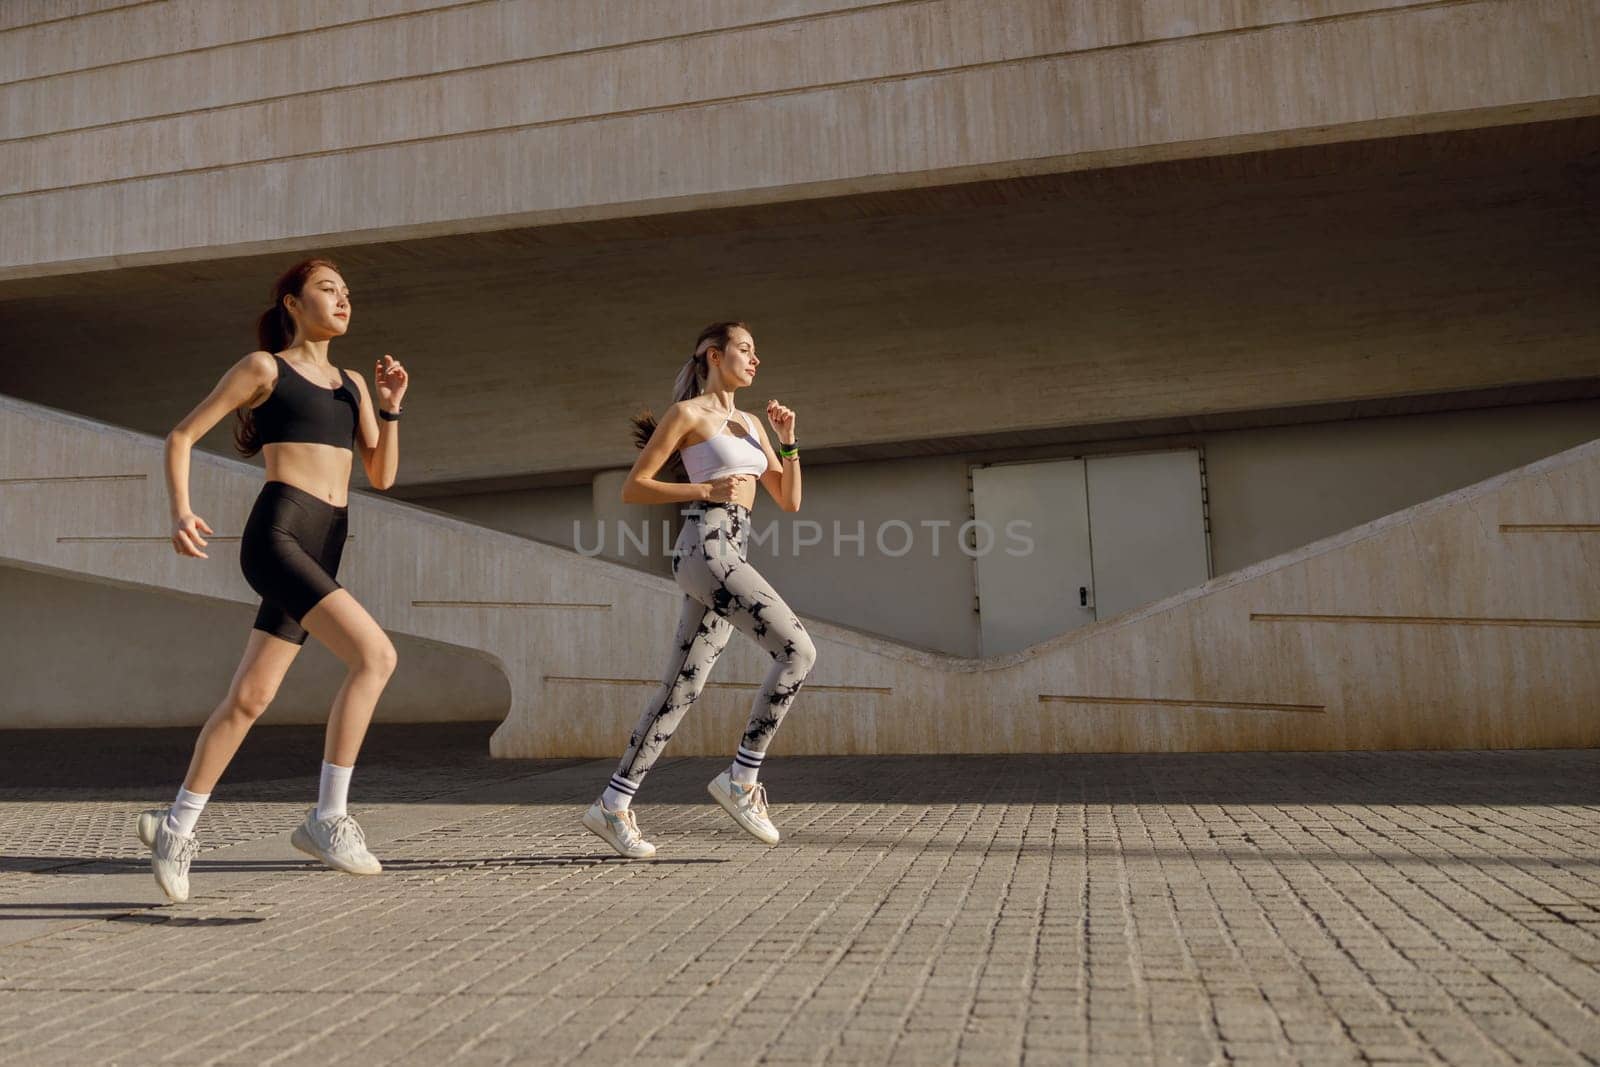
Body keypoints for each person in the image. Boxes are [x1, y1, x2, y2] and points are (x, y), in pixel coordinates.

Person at [138, 258, 409, 903]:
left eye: (347, 290)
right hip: (280, 534)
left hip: (328, 539)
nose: (342, 299)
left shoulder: (352, 383)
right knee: (376, 656)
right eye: (326, 289)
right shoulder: (264, 369)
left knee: (250, 698)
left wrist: (392, 409)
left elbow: (383, 474)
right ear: (292, 302)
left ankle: (174, 828)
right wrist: (180, 510)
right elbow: (181, 436)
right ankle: (327, 817)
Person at [583, 321, 816, 859]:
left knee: (682, 687)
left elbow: (789, 499)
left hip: (733, 550)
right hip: (705, 547)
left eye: (757, 351)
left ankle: (612, 805)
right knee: (797, 650)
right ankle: (742, 778)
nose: (755, 359)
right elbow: (634, 486)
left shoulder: (752, 424)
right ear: (714, 355)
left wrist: (788, 441)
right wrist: (704, 487)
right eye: (745, 349)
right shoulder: (688, 415)